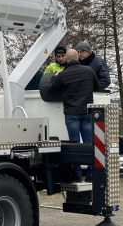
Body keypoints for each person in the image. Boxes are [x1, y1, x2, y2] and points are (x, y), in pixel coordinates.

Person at [41, 48, 101, 178]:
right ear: (78, 58)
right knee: (89, 143)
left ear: (67, 59)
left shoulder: (63, 74)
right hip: (87, 111)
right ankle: (91, 174)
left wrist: (55, 77)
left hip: (71, 112)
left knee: (74, 144)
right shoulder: (89, 71)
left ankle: (77, 174)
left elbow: (51, 90)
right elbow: (97, 86)